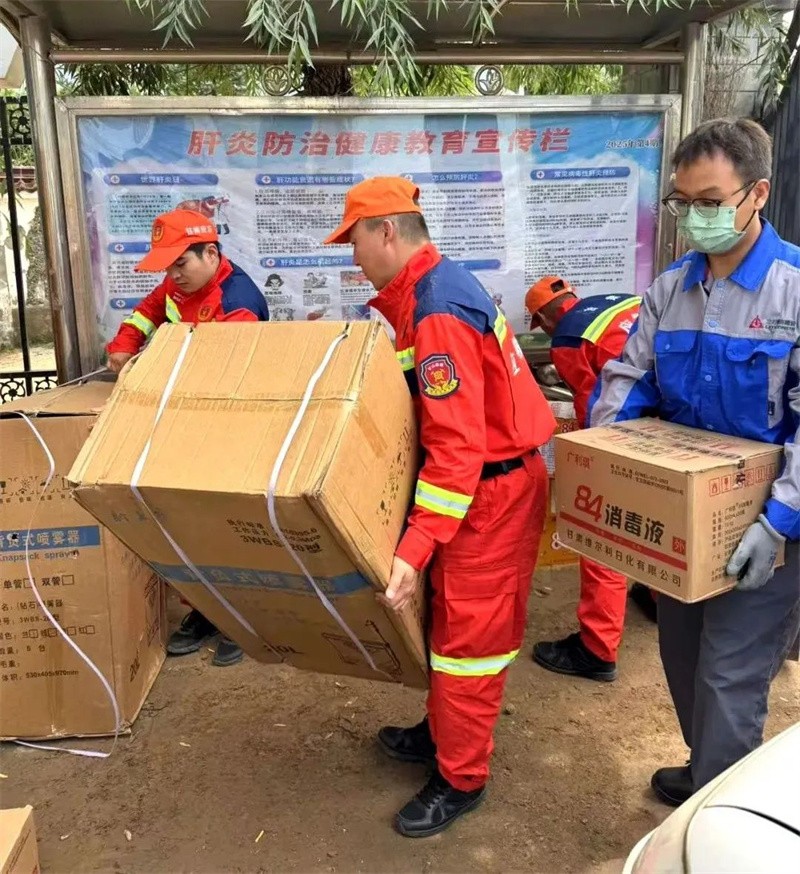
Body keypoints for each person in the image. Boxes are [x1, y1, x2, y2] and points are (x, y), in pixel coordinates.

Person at [324, 176, 556, 837]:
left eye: (354, 241)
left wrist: (416, 544)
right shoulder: (424, 295)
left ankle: (461, 777)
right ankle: (442, 730)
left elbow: (456, 447)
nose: (352, 257)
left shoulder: (436, 310)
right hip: (478, 488)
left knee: (467, 644)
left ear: (387, 232)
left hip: (490, 494)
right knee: (448, 622)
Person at [589, 118, 800, 807]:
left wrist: (777, 522)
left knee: (728, 674)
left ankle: (719, 812)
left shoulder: (794, 291)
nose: (694, 218)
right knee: (681, 659)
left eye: (710, 202)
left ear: (757, 193)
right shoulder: (671, 289)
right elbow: (629, 379)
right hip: (688, 521)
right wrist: (607, 455)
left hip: (771, 530)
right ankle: (709, 768)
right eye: (682, 203)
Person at [107, 207, 270, 667]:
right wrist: (124, 346)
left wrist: (155, 372)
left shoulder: (239, 302)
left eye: (181, 263)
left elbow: (221, 377)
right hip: (186, 422)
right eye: (167, 267)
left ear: (211, 254)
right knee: (188, 523)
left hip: (230, 427)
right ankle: (205, 611)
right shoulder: (176, 287)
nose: (173, 275)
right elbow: (145, 314)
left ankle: (244, 620)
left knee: (231, 523)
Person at [525, 277, 655, 682]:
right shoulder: (620, 302)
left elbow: (594, 407)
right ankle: (659, 600)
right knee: (660, 521)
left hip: (627, 436)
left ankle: (597, 649)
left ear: (546, 318)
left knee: (601, 535)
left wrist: (584, 463)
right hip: (670, 428)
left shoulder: (568, 337)